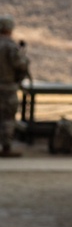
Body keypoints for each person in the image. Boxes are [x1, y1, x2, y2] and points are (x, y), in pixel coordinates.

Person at [0, 15, 30, 157]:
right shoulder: (11, 47)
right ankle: (6, 147)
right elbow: (20, 66)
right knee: (7, 118)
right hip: (8, 87)